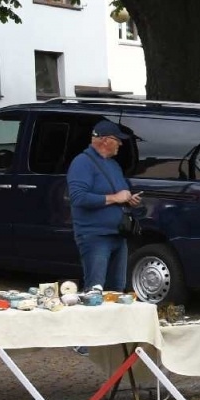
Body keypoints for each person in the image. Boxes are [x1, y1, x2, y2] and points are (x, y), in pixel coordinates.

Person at [67, 120, 140, 291]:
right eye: (118, 140)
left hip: (118, 236)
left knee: (117, 290)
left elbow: (120, 194)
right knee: (96, 290)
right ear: (106, 140)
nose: (121, 144)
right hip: (95, 237)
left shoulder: (113, 165)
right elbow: (78, 198)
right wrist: (115, 198)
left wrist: (129, 199)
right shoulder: (82, 163)